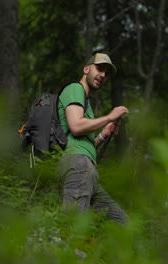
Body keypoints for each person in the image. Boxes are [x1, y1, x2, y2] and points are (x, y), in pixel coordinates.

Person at [56, 53, 129, 224]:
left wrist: (103, 135)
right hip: (78, 165)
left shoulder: (86, 104)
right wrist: (109, 117)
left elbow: (82, 143)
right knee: (73, 224)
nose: (103, 75)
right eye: (99, 69)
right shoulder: (75, 89)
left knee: (123, 224)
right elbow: (76, 126)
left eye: (106, 74)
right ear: (86, 69)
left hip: (86, 168)